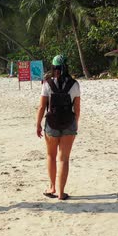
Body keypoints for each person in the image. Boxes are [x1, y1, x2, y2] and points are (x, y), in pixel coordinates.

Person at [36, 55, 81, 200]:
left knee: (51, 156)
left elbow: (42, 106)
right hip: (69, 123)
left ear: (53, 67)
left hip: (52, 124)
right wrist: (75, 123)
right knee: (64, 159)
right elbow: (77, 108)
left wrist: (37, 124)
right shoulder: (75, 84)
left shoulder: (47, 84)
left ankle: (52, 187)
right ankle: (61, 193)